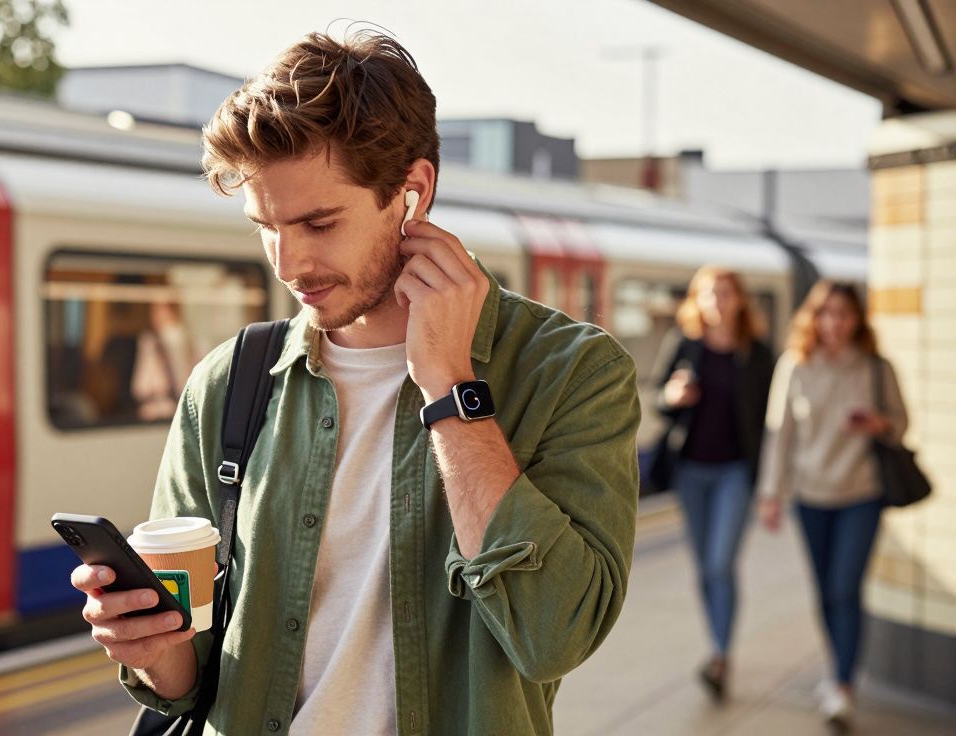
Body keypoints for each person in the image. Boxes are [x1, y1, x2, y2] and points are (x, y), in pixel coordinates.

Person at [69, 31, 641, 734]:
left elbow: (555, 636)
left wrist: (450, 387)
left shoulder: (572, 372)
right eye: (266, 226)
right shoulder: (229, 384)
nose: (288, 262)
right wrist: (152, 650)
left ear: (413, 192)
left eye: (319, 221)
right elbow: (190, 680)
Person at [757, 280, 908, 728]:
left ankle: (843, 684)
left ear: (857, 319)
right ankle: (835, 670)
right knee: (824, 591)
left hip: (862, 494)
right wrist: (771, 493)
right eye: (827, 314)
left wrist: (880, 424)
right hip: (811, 495)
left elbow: (901, 425)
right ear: (814, 318)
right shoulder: (796, 365)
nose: (835, 323)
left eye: (844, 314)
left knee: (845, 587)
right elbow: (778, 433)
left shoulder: (876, 368)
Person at [651, 267, 773, 700]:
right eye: (709, 293)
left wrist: (773, 486)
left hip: (735, 472)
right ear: (698, 301)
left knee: (721, 563)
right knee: (705, 567)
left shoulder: (757, 354)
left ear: (740, 301)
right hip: (691, 473)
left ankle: (720, 656)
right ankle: (717, 647)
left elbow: (770, 421)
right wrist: (673, 396)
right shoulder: (686, 345)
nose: (718, 301)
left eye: (725, 293)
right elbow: (659, 399)